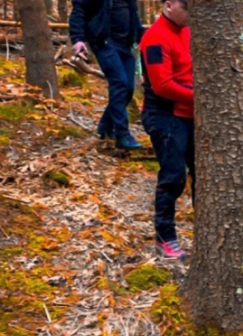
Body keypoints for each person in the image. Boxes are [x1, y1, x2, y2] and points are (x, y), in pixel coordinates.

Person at [139, 0, 194, 259]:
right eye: (186, 6)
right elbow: (163, 85)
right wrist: (203, 97)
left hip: (191, 113)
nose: (190, 12)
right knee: (173, 177)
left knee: (203, 174)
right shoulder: (155, 38)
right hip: (164, 114)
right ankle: (165, 237)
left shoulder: (188, 30)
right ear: (169, 4)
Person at [69, 0, 144, 150]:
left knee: (128, 89)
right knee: (120, 83)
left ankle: (105, 127)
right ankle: (122, 134)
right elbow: (78, 12)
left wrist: (143, 37)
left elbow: (134, 17)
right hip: (105, 43)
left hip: (125, 45)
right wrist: (78, 39)